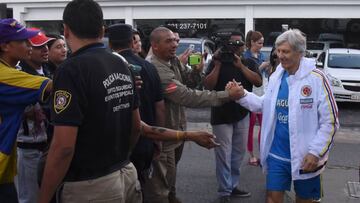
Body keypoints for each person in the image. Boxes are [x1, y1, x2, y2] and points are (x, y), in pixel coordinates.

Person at [38, 1, 142, 203]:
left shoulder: (71, 70)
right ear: (102, 30)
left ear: (66, 30)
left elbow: (63, 147)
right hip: (126, 173)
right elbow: (136, 126)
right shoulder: (121, 63)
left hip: (90, 186)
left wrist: (43, 197)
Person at [226, 29, 339, 203]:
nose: (280, 55)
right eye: (278, 51)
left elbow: (330, 123)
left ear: (299, 52)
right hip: (277, 154)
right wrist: (242, 95)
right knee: (272, 198)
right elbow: (265, 105)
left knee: (305, 200)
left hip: (305, 157)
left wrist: (316, 152)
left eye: (285, 51)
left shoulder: (317, 79)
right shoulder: (277, 75)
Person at [145, 26, 242, 203]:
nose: (175, 44)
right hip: (164, 136)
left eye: (175, 40)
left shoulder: (172, 61)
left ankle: (172, 198)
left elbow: (190, 81)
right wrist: (227, 95)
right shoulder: (156, 68)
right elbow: (188, 96)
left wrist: (197, 70)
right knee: (160, 187)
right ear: (155, 45)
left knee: (171, 178)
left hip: (177, 129)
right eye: (169, 41)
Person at [203, 32, 262, 203]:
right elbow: (208, 85)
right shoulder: (217, 62)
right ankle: (224, 192)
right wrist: (217, 65)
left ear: (244, 45)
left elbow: (258, 82)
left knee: (238, 153)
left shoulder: (249, 61)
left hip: (242, 114)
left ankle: (233, 185)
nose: (236, 47)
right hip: (221, 115)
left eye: (239, 44)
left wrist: (241, 66)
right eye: (232, 44)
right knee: (223, 154)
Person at [107, 23, 166, 189]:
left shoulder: (106, 67)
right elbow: (160, 106)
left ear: (110, 44)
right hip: (145, 141)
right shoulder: (149, 67)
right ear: (131, 42)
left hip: (116, 144)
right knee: (141, 187)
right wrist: (157, 139)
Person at [0, 18, 52, 203]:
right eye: (23, 41)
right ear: (6, 46)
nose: (28, 44)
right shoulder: (5, 75)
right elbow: (54, 86)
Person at [15, 29, 53, 203]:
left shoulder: (49, 70)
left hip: (48, 145)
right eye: (39, 46)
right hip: (28, 147)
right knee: (30, 198)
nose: (45, 49)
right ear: (27, 49)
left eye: (46, 44)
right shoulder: (19, 75)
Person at [243, 30, 269, 166]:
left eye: (263, 43)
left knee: (264, 125)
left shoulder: (262, 54)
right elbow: (249, 74)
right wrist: (261, 66)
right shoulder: (245, 56)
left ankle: (262, 153)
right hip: (251, 93)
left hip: (262, 92)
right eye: (259, 43)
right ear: (252, 42)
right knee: (251, 126)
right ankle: (251, 155)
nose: (261, 45)